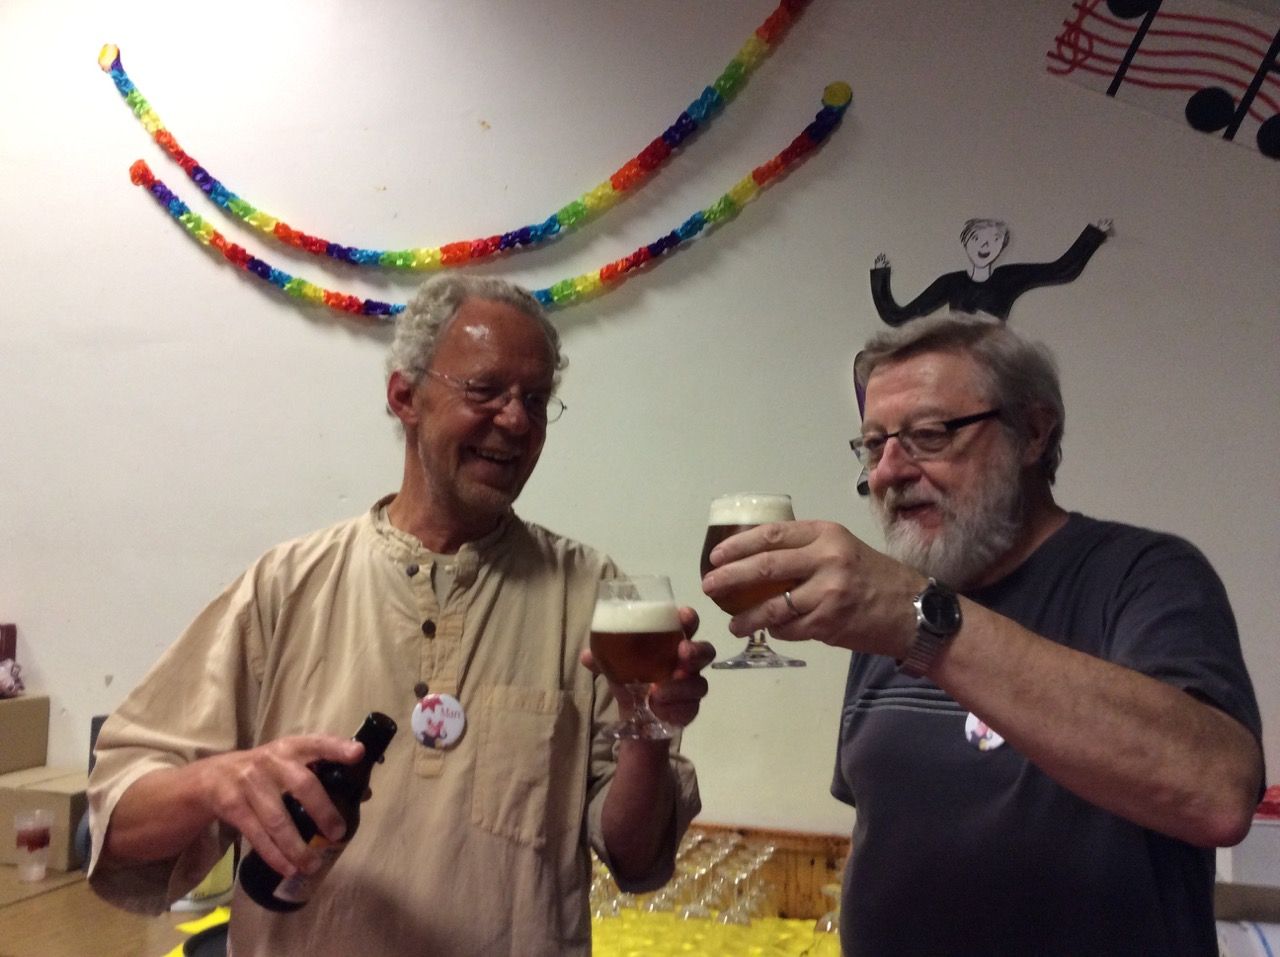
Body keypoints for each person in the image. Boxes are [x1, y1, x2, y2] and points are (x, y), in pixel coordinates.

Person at [87, 274, 715, 956]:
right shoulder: (287, 585)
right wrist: (217, 782)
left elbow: (636, 858)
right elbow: (119, 822)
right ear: (404, 397)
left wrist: (647, 730)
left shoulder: (591, 592)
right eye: (485, 390)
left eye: (535, 400)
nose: (516, 420)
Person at [702, 313, 1264, 956]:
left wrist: (921, 618)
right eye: (874, 445)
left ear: (1033, 431)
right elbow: (881, 837)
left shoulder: (1143, 576)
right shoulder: (895, 601)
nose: (888, 472)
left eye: (929, 435)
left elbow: (1217, 793)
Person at [869, 218, 1111, 324]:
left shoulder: (1008, 278)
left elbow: (1061, 270)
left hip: (994, 358)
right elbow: (898, 316)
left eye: (994, 240)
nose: (985, 246)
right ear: (966, 243)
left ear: (1002, 245)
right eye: (977, 239)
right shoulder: (951, 283)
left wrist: (1094, 235)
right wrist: (881, 274)